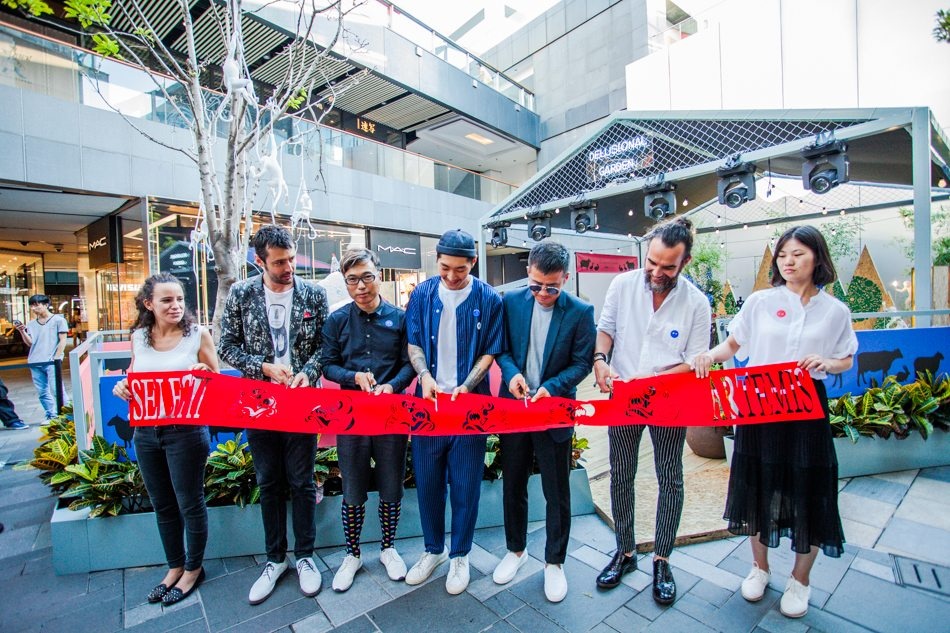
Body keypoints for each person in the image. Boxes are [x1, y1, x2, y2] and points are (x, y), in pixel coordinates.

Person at [692, 225, 856, 619]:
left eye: (798, 254)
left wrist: (828, 363)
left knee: (810, 488)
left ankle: (801, 579)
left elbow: (846, 358)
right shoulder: (761, 302)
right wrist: (708, 357)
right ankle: (759, 567)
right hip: (759, 404)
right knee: (756, 484)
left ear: (817, 258)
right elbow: (733, 345)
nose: (788, 261)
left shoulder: (836, 311)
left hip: (806, 409)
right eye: (783, 255)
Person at [593, 216, 711, 604]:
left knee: (670, 477)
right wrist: (600, 358)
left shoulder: (696, 302)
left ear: (685, 262)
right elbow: (606, 328)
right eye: (652, 262)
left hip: (668, 398)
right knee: (621, 475)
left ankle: (662, 557)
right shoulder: (623, 284)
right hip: (622, 397)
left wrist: (652, 380)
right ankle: (625, 551)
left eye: (667, 267)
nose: (657, 272)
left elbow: (695, 361)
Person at [218, 224, 329, 605]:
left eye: (291, 258)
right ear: (259, 260)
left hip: (301, 405)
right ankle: (274, 559)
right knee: (268, 482)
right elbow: (227, 347)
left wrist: (308, 372)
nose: (288, 267)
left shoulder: (313, 293)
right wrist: (263, 367)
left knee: (301, 482)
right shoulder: (241, 293)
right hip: (258, 402)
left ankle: (306, 559)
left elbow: (323, 349)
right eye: (279, 261)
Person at [493, 241, 595, 603]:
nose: (543, 294)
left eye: (552, 287)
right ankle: (515, 550)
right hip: (515, 408)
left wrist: (551, 387)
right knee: (513, 485)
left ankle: (555, 562)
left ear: (566, 278)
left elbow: (582, 363)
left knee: (557, 491)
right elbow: (501, 350)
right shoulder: (511, 303)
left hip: (554, 411)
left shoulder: (581, 312)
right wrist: (511, 375)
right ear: (528, 273)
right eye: (536, 285)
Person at [404, 228, 505, 595]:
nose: (451, 276)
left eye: (459, 270)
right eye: (445, 267)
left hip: (468, 408)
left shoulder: (489, 298)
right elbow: (414, 342)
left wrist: (469, 383)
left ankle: (460, 554)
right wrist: (425, 376)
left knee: (465, 486)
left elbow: (490, 349)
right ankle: (433, 550)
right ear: (437, 260)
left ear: (473, 263)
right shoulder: (422, 293)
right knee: (428, 484)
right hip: (427, 406)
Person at [112, 273, 219, 605]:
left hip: (185, 432)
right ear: (149, 304)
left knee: (190, 502)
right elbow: (133, 376)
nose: (175, 306)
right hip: (146, 433)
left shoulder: (197, 335)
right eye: (166, 300)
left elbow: (216, 380)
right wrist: (123, 387)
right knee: (163, 505)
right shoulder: (138, 337)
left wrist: (204, 375)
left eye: (179, 300)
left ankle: (192, 569)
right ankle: (174, 566)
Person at [320, 248, 415, 592]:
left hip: (391, 415)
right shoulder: (337, 320)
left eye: (367, 277)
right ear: (345, 282)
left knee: (391, 485)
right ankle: (353, 554)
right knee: (353, 488)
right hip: (352, 417)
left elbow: (409, 363)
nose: (361, 286)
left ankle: (389, 549)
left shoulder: (401, 318)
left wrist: (393, 384)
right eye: (352, 280)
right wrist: (352, 376)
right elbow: (327, 363)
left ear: (379, 275)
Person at [16, 295, 69, 420]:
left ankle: (68, 415)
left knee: (57, 390)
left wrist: (56, 358)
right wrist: (22, 331)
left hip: (51, 361)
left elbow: (63, 340)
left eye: (37, 305)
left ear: (46, 305)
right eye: (32, 305)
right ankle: (50, 415)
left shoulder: (58, 320)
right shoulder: (31, 324)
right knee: (42, 392)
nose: (34, 308)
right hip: (35, 361)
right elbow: (30, 343)